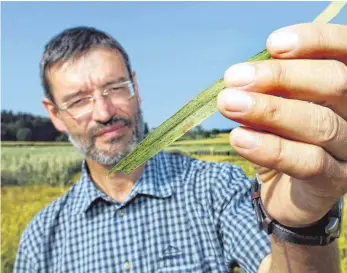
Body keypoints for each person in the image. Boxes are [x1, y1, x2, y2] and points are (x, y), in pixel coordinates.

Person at [14, 22, 347, 273]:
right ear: (54, 114)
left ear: (136, 87)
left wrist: (300, 225)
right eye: (79, 100)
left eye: (116, 88)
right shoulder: (41, 238)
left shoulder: (214, 188)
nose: (104, 113)